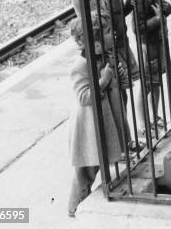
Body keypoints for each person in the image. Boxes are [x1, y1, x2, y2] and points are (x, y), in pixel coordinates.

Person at [72, 0, 143, 153]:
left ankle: (126, 142)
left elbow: (116, 12)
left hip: (117, 50)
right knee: (114, 104)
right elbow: (105, 20)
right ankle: (119, 148)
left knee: (122, 100)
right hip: (105, 56)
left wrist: (124, 5)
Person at [68, 14, 126, 217]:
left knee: (100, 160)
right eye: (108, 32)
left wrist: (118, 74)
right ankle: (75, 207)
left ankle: (100, 192)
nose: (114, 34)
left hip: (104, 120)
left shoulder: (105, 57)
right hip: (89, 127)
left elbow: (120, 83)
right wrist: (104, 80)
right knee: (86, 171)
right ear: (95, 41)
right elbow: (83, 97)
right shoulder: (80, 66)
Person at [129, 0, 171, 137]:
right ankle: (142, 125)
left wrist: (166, 10)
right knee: (146, 84)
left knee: (156, 83)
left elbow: (159, 13)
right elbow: (137, 28)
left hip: (158, 43)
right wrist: (157, 19)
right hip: (148, 47)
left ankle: (153, 117)